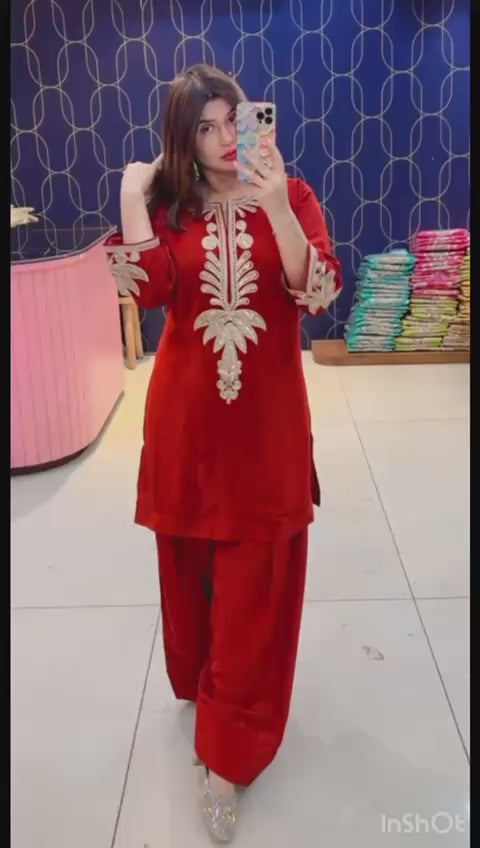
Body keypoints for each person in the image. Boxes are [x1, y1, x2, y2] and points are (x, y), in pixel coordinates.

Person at [105, 64, 341, 843]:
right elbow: (146, 291)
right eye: (202, 128)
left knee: (254, 591)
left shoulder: (294, 195)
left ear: (251, 118)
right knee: (192, 576)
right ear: (182, 139)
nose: (221, 140)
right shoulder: (172, 207)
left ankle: (227, 758)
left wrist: (273, 206)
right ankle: (206, 692)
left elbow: (317, 292)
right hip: (188, 428)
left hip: (267, 430)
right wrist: (132, 198)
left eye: (230, 120)